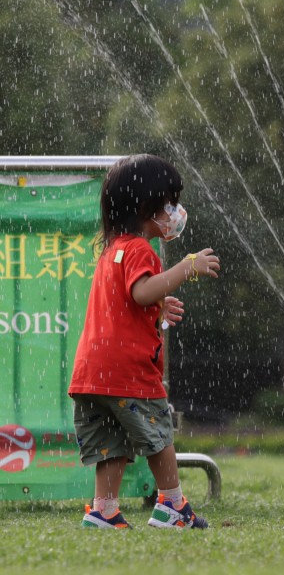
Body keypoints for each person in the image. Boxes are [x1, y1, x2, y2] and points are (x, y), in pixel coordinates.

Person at [68, 154, 220, 529]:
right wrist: (187, 268)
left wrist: (157, 304)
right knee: (159, 432)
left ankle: (103, 510)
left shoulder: (111, 250)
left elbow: (126, 301)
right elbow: (139, 292)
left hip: (94, 372)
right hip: (129, 371)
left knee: (111, 442)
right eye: (169, 203)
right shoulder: (139, 249)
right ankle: (172, 505)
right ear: (146, 206)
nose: (174, 212)